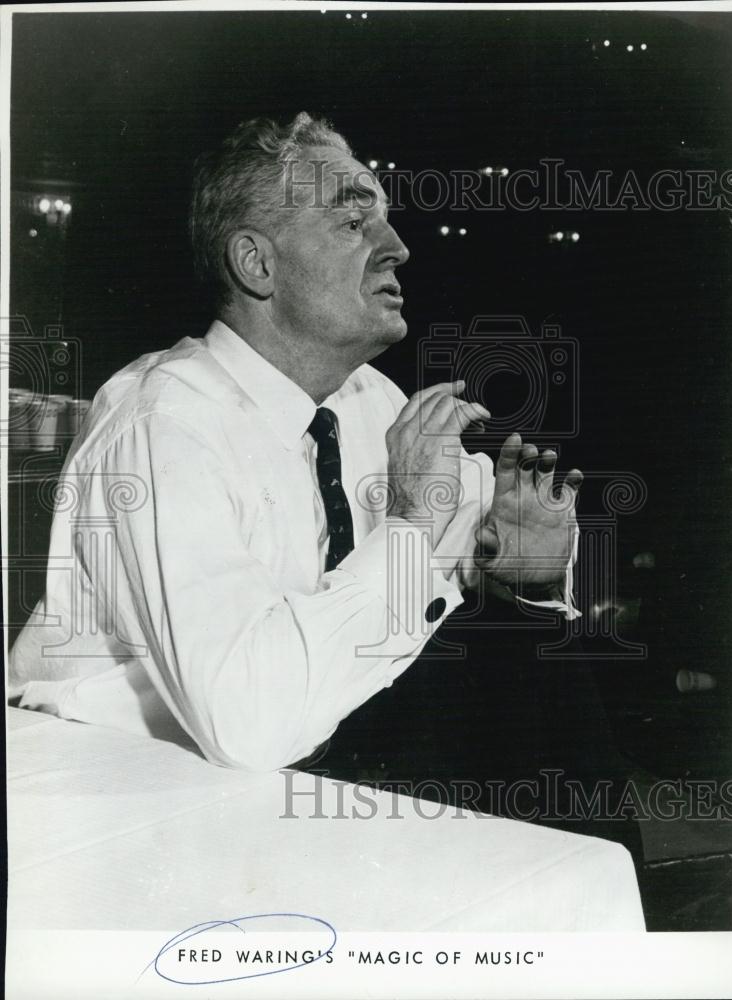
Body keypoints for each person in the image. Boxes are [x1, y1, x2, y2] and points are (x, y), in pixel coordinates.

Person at [9, 112, 581, 773]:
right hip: (118, 786)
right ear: (257, 263)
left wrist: (526, 569)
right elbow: (248, 723)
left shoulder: (372, 400)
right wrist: (413, 522)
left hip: (295, 769)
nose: (398, 247)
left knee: (548, 691)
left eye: (386, 220)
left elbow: (471, 553)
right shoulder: (163, 426)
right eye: (352, 222)